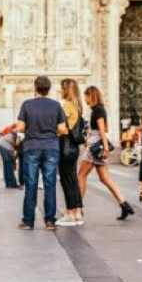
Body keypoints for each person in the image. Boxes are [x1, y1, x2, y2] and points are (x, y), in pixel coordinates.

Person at [16, 76, 67, 230]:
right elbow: (63, 129)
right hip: (51, 146)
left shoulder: (27, 105)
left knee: (31, 184)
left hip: (31, 147)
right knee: (50, 184)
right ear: (48, 89)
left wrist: (32, 128)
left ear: (35, 88)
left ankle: (28, 221)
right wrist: (52, 132)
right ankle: (50, 221)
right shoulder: (56, 105)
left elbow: (19, 127)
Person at [78, 86, 135, 220]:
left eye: (86, 96)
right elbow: (106, 128)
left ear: (92, 96)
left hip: (95, 146)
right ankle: (124, 204)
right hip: (97, 143)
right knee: (105, 178)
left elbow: (103, 130)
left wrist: (105, 147)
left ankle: (78, 207)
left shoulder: (97, 110)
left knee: (81, 175)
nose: (85, 99)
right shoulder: (98, 110)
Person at [56, 78, 84, 226]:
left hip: (64, 144)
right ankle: (78, 213)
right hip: (74, 147)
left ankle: (70, 214)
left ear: (66, 89)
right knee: (73, 180)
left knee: (66, 180)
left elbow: (61, 127)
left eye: (62, 88)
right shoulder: (77, 105)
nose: (60, 91)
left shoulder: (66, 105)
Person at [0, 123, 20, 189]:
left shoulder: (19, 129)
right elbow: (17, 143)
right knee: (9, 164)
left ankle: (8, 183)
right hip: (5, 145)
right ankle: (11, 183)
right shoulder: (20, 129)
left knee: (7, 164)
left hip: (3, 143)